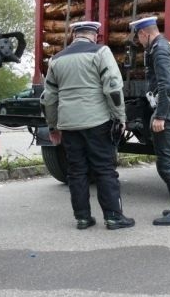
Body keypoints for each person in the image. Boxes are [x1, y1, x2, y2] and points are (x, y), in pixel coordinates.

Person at [41, 21, 134, 230]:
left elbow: (48, 99)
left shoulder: (56, 59)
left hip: (69, 125)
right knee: (104, 170)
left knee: (76, 171)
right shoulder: (101, 52)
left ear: (74, 35)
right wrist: (120, 118)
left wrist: (53, 127)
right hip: (97, 121)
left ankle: (82, 218)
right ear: (94, 35)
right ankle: (113, 217)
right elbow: (113, 87)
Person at [129, 16, 170, 226]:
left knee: (167, 162)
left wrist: (161, 115)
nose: (139, 42)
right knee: (168, 161)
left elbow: (167, 85)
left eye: (139, 37)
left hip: (169, 110)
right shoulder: (165, 46)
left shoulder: (160, 50)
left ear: (144, 33)